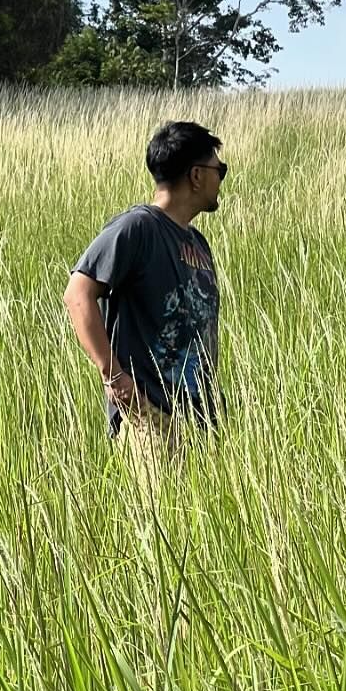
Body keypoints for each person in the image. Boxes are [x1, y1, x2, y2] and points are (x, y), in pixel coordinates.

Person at [64, 121, 226, 471]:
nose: (221, 179)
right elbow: (78, 294)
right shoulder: (136, 228)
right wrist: (113, 375)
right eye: (219, 169)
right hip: (151, 413)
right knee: (162, 519)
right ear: (196, 175)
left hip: (199, 415)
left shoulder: (197, 243)